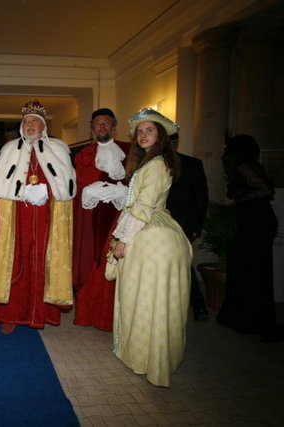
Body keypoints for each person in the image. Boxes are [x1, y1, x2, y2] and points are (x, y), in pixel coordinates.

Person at [110, 108, 191, 387]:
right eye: (140, 131)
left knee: (147, 300)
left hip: (152, 239)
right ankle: (146, 355)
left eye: (150, 130)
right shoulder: (152, 162)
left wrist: (123, 239)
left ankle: (150, 359)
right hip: (155, 233)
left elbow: (143, 207)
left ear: (161, 136)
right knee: (150, 300)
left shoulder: (156, 165)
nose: (143, 135)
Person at [0, 100, 76, 333]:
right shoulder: (9, 149)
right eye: (26, 121)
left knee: (44, 263)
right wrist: (20, 193)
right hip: (18, 217)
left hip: (48, 217)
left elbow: (67, 185)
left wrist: (48, 191)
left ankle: (42, 315)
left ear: (43, 126)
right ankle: (12, 315)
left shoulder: (58, 148)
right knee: (17, 262)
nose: (30, 125)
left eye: (35, 121)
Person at [216, 135, 283, 342]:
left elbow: (265, 190)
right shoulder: (247, 167)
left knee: (252, 271)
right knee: (245, 269)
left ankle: (250, 321)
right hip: (254, 223)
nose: (224, 151)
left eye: (227, 148)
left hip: (257, 225)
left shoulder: (245, 167)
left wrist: (235, 201)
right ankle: (242, 318)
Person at [72, 108, 129, 331]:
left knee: (116, 263)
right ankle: (88, 315)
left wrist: (122, 192)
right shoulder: (83, 155)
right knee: (91, 262)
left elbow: (137, 183)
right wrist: (90, 191)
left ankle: (113, 318)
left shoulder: (129, 151)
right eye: (98, 123)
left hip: (120, 218)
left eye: (106, 123)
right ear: (92, 128)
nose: (102, 126)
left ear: (114, 126)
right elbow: (79, 186)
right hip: (91, 219)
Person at [166, 135, 209, 321]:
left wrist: (196, 226)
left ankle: (198, 307)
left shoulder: (192, 164)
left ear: (176, 143)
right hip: (158, 224)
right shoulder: (153, 163)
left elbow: (201, 197)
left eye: (171, 141)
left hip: (183, 224)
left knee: (183, 265)